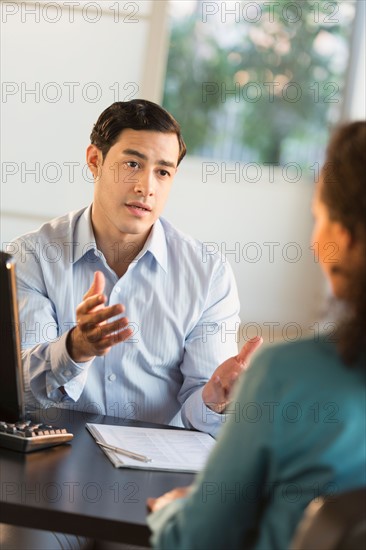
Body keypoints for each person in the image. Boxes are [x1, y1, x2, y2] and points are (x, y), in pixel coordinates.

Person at [147, 121, 366, 549]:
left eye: (318, 217)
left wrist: (174, 509)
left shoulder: (287, 376)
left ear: (340, 237)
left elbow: (194, 539)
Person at [10, 99, 261, 436]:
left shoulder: (207, 275)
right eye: (132, 163)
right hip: (53, 455)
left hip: (154, 468)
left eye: (163, 171)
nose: (147, 187)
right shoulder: (32, 255)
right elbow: (19, 388)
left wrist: (215, 399)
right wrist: (75, 349)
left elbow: (199, 416)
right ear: (94, 161)